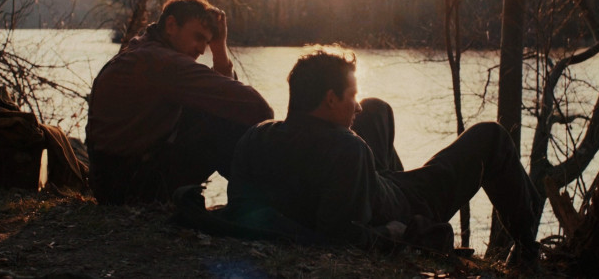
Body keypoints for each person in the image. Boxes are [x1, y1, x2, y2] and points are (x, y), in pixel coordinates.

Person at [225, 48, 540, 263]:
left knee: (376, 108)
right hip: (406, 204)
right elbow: (342, 238)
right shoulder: (348, 149)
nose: (356, 106)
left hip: (365, 182)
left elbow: (239, 205)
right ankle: (527, 248)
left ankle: (392, 174)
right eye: (351, 96)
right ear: (331, 99)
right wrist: (393, 233)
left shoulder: (257, 135)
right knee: (491, 136)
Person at [85, 0, 273, 205]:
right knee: (224, 121)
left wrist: (219, 48)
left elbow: (230, 101)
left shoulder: (142, 50)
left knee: (216, 108)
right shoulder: (162, 62)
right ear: (171, 25)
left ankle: (259, 202)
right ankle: (264, 205)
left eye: (207, 42)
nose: (202, 49)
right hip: (130, 189)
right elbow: (257, 107)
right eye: (198, 37)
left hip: (113, 184)